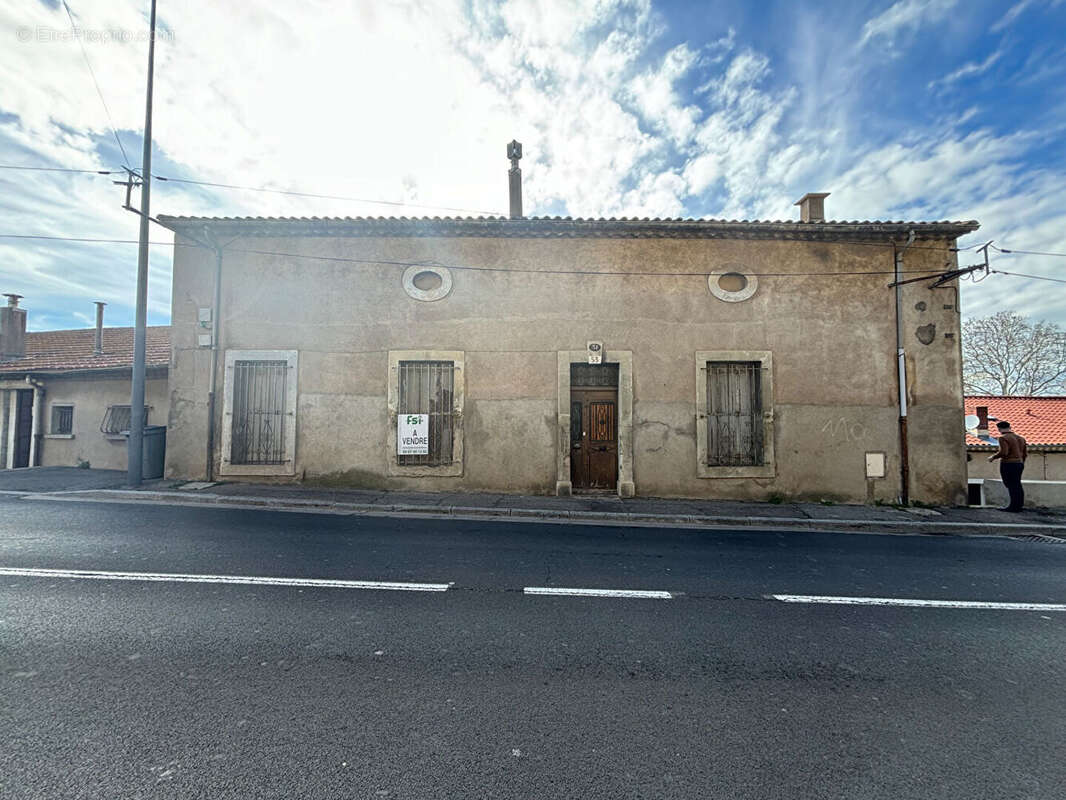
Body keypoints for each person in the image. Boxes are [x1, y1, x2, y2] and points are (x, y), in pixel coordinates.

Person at [988, 420, 1027, 512]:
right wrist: (1021, 462)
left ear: (999, 429)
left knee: (1010, 484)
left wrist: (993, 457)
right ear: (1010, 427)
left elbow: (1004, 452)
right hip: (1019, 463)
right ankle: (1018, 506)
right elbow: (1025, 454)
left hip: (1008, 464)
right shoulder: (1021, 438)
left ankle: (1013, 507)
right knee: (1017, 484)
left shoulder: (1003, 438)